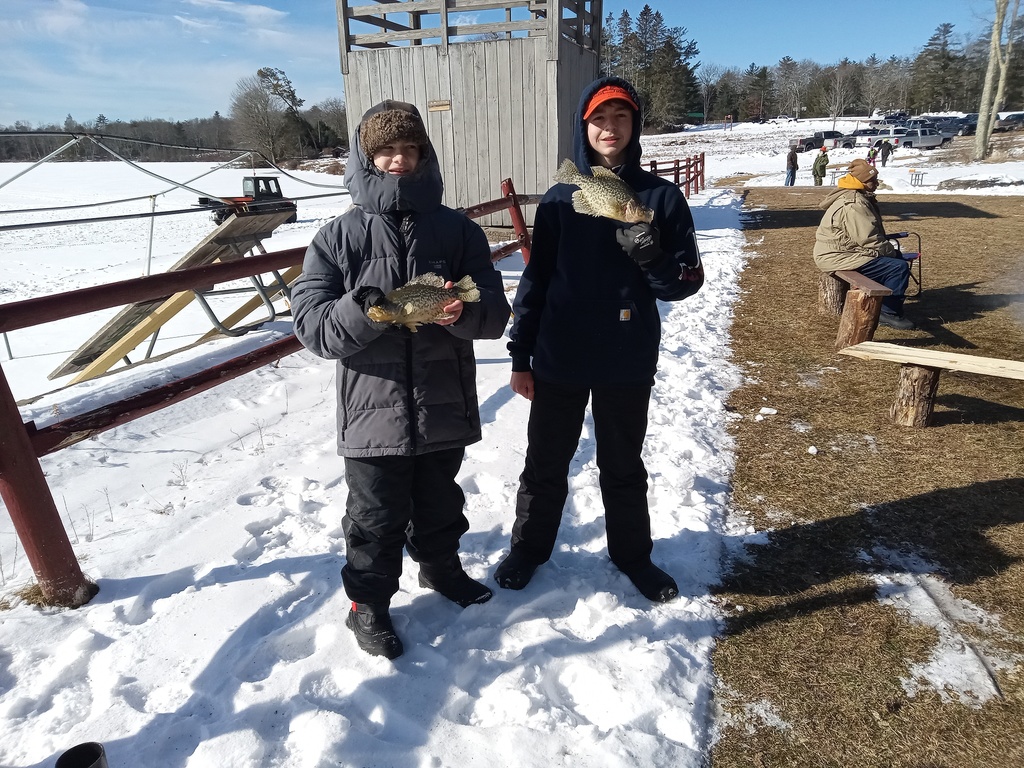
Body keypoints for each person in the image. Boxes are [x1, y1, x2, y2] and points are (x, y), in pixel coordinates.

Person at [291, 101, 512, 660]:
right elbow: (314, 328)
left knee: (441, 500)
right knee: (373, 517)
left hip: (443, 401)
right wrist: (364, 313)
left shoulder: (458, 230)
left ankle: (441, 569)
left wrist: (466, 313)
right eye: (386, 151)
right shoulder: (336, 238)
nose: (397, 160)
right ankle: (368, 606)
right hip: (372, 411)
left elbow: (494, 309)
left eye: (408, 149)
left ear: (423, 155)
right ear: (367, 159)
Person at [494, 77, 705, 603]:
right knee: (545, 462)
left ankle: (633, 556)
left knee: (622, 464)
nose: (609, 129)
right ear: (583, 128)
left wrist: (652, 255)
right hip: (559, 356)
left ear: (634, 127)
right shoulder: (561, 200)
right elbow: (536, 281)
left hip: (625, 357)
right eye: (599, 120)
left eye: (621, 118)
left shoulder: (661, 197)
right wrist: (521, 354)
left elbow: (686, 283)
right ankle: (529, 549)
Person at [813, 158, 916, 330]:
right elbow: (869, 239)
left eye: (876, 179)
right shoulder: (854, 203)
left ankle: (883, 304)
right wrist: (891, 252)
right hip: (837, 256)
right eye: (872, 180)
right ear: (860, 181)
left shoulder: (853, 196)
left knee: (891, 262)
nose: (876, 183)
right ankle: (887, 312)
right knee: (897, 267)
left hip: (840, 251)